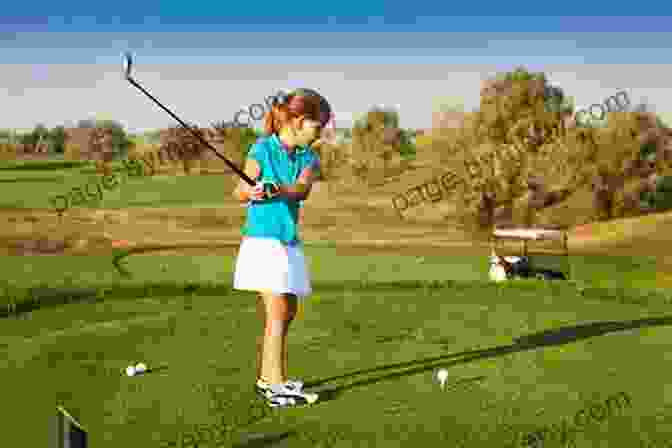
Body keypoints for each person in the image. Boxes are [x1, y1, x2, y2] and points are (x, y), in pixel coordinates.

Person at [232, 88, 330, 408]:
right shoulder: (262, 149)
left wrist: (276, 189)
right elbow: (239, 191)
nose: (320, 134)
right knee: (276, 311)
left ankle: (266, 377)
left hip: (287, 241)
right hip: (262, 242)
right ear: (299, 121)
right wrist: (254, 193)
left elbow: (300, 190)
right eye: (318, 127)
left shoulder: (309, 158)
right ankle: (276, 386)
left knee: (288, 310)